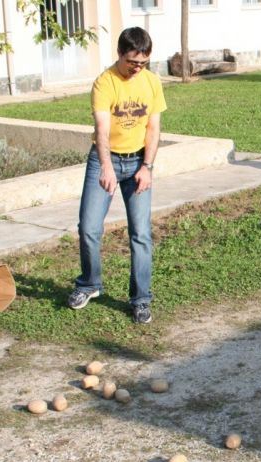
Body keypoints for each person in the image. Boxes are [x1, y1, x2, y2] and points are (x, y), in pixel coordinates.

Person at [67, 27, 167, 324]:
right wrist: (107, 167)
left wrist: (147, 167)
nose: (137, 69)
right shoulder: (105, 82)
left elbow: (153, 128)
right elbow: (102, 129)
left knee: (141, 234)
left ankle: (141, 299)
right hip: (105, 161)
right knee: (89, 228)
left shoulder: (151, 82)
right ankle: (90, 284)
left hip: (138, 161)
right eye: (132, 62)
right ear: (120, 54)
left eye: (143, 63)